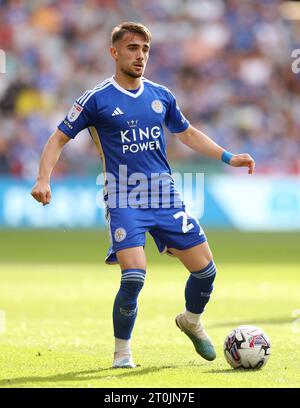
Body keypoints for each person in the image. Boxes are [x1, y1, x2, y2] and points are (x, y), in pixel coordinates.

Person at [31, 22, 255, 368]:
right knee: (134, 276)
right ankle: (122, 353)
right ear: (114, 52)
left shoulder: (161, 95)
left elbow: (188, 132)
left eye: (145, 49)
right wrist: (43, 179)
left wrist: (228, 157)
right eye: (133, 48)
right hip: (124, 197)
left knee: (206, 272)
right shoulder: (96, 99)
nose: (140, 55)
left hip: (165, 197)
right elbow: (58, 138)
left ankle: (191, 321)